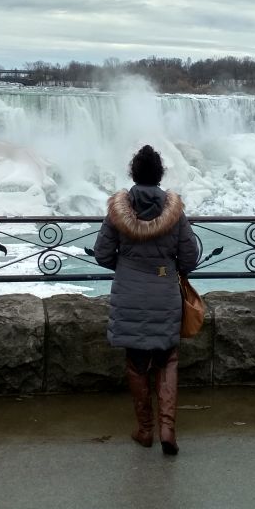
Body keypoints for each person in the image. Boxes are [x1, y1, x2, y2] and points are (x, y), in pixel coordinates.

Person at [93, 144, 199, 456]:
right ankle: (168, 429)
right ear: (160, 175)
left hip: (129, 293)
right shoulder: (175, 213)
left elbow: (102, 254)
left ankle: (145, 430)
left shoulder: (118, 212)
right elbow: (190, 257)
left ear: (133, 174)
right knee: (168, 358)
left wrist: (127, 268)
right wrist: (166, 268)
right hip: (165, 291)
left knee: (137, 362)